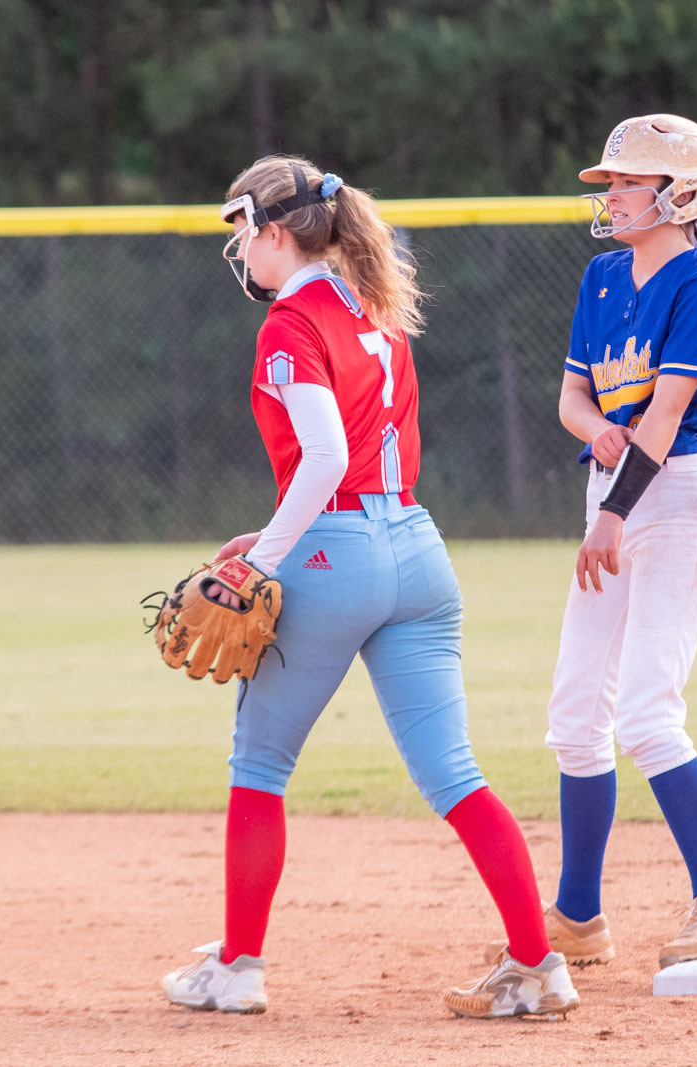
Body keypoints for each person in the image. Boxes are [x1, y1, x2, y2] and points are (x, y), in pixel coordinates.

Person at [159, 155, 578, 1019]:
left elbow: (326, 459)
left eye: (243, 231)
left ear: (278, 232)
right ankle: (538, 965)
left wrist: (266, 562)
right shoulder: (374, 309)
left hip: (334, 560)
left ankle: (237, 967)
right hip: (417, 550)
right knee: (455, 773)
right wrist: (271, 534)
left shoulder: (288, 323)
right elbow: (360, 469)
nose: (240, 249)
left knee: (259, 766)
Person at [537, 115, 697, 970]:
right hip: (614, 497)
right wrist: (595, 430)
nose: (613, 196)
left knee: (644, 711)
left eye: (629, 182)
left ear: (682, 194)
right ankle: (578, 917)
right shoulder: (602, 276)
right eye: (612, 183)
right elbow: (572, 398)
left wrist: (612, 512)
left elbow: (667, 419)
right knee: (575, 716)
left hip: (674, 506)